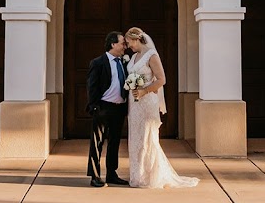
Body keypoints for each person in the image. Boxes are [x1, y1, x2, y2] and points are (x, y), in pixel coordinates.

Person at [124, 27, 199, 188]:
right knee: (135, 137)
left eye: (130, 43)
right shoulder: (134, 57)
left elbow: (161, 80)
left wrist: (144, 90)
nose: (129, 46)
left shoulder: (152, 56)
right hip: (134, 102)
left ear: (137, 39)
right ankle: (137, 175)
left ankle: (151, 176)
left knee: (146, 137)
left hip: (147, 100)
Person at [85, 31, 130, 187]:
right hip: (103, 107)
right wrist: (94, 107)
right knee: (97, 143)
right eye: (122, 43)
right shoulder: (98, 63)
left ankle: (112, 174)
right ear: (113, 44)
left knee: (114, 142)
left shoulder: (125, 62)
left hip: (120, 109)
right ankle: (95, 176)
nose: (125, 46)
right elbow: (92, 87)